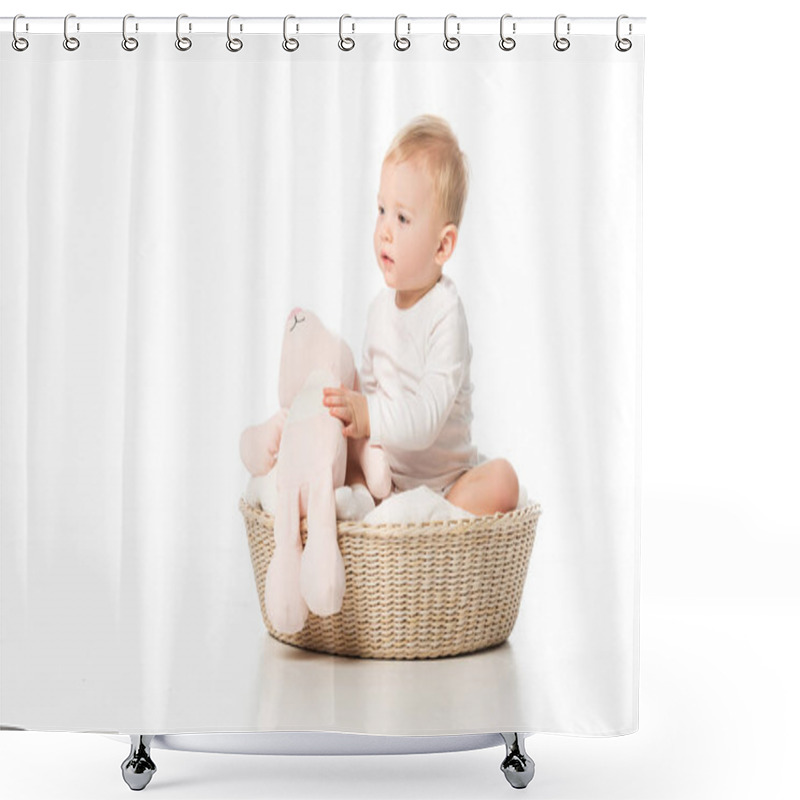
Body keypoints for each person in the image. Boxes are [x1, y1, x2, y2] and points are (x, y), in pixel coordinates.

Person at [323, 115, 518, 516]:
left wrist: (368, 414)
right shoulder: (378, 311)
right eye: (381, 209)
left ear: (442, 247)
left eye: (402, 218)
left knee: (503, 480)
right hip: (390, 480)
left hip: (448, 483)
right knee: (344, 456)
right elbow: (371, 395)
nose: (384, 231)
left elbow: (426, 417)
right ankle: (377, 505)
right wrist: (357, 426)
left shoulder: (446, 312)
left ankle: (433, 516)